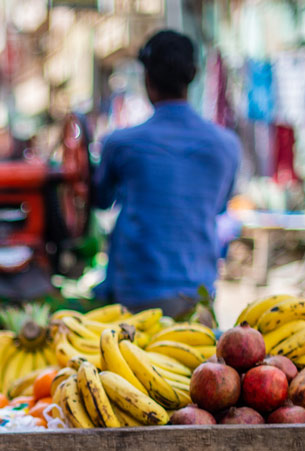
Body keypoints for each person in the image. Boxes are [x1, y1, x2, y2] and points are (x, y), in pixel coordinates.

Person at [92, 29, 240, 318]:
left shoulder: (120, 143)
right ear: (194, 75)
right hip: (198, 296)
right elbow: (219, 206)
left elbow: (100, 199)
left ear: (147, 79)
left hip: (134, 301)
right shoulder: (227, 145)